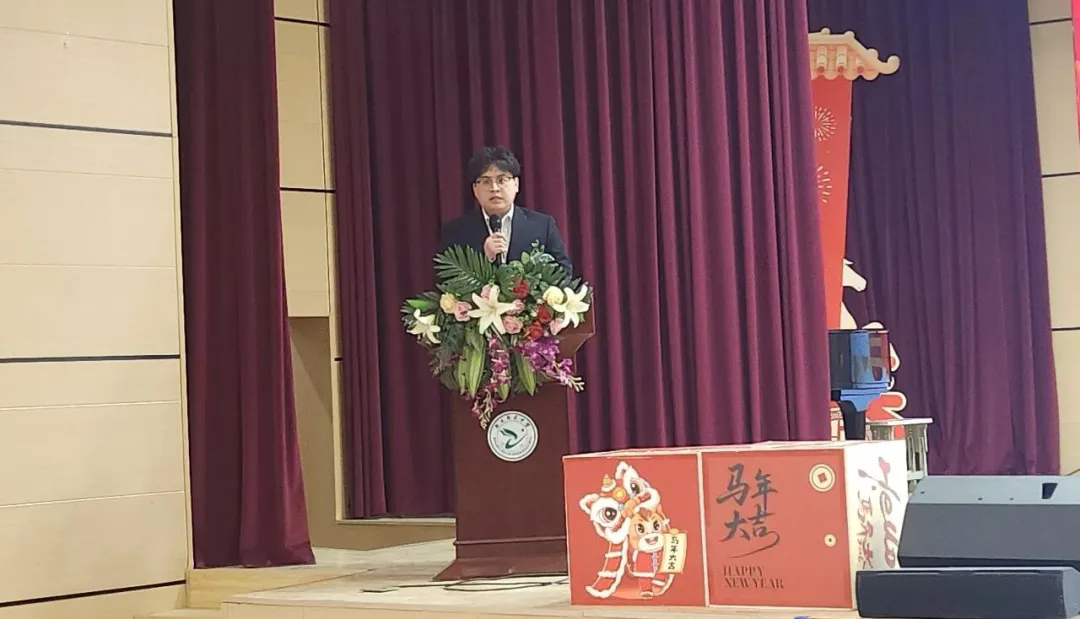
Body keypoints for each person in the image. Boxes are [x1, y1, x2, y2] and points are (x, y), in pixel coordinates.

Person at [438, 146, 573, 278]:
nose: (494, 188)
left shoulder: (543, 226)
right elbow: (445, 280)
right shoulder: (455, 231)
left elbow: (563, 273)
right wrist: (484, 257)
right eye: (486, 181)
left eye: (502, 180)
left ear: (516, 184)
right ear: (475, 189)